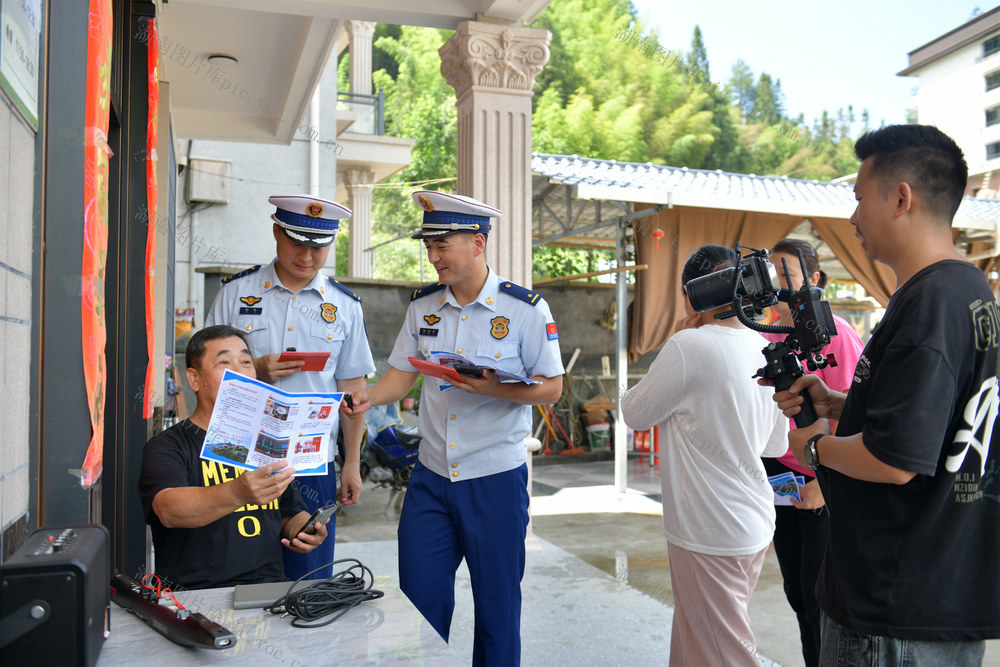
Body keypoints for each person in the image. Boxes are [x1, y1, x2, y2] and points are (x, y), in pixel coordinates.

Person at [771, 125, 1000, 664]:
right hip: (936, 588)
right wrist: (839, 404)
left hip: (891, 606)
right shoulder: (968, 291)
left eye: (857, 198)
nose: (852, 218)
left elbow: (894, 460)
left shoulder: (930, 304)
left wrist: (814, 446)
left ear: (902, 198)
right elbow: (941, 420)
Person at [346, 191, 564, 666]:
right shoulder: (423, 307)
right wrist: (370, 396)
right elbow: (403, 372)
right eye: (430, 245)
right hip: (431, 477)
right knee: (417, 603)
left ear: (478, 244)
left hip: (495, 480)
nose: (433, 256)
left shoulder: (524, 310)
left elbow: (551, 389)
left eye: (443, 244)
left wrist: (492, 390)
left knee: (497, 610)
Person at [620, 245, 788, 667]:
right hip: (750, 523)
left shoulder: (689, 345)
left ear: (691, 294)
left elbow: (634, 414)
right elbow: (777, 446)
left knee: (726, 653)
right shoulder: (764, 346)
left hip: (709, 530)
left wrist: (677, 338)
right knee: (699, 638)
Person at [205, 194, 374, 581]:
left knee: (308, 574)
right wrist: (255, 370)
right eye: (297, 242)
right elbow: (204, 374)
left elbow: (352, 393)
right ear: (277, 231)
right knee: (237, 568)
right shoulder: (236, 293)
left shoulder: (345, 306)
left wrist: (350, 464)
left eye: (319, 247)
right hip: (240, 456)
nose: (308, 256)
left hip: (312, 461)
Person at [138, 325, 328, 590]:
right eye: (225, 362)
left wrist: (305, 529)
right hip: (196, 597)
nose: (240, 371)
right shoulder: (168, 445)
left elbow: (287, 512)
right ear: (194, 380)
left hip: (267, 590)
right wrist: (238, 492)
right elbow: (169, 510)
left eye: (246, 362)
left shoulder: (268, 441)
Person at [760, 238, 865, 667]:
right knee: (798, 596)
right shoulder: (762, 331)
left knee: (822, 598)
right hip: (782, 481)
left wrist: (824, 481)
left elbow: (858, 410)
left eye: (785, 275)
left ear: (813, 281)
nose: (775, 286)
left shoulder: (836, 333)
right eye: (768, 275)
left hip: (825, 483)